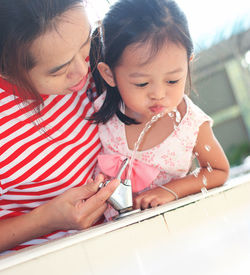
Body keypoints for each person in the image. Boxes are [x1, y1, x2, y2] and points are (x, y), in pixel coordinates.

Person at [89, 0, 230, 219]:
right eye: (142, 84)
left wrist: (170, 190)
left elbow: (218, 171)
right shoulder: (103, 110)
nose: (158, 94)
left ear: (188, 64)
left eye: (173, 80)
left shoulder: (191, 124)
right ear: (109, 75)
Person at [0, 0, 120, 254]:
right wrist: (45, 220)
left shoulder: (98, 56)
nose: (82, 70)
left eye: (85, 42)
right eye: (59, 70)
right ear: (8, 69)